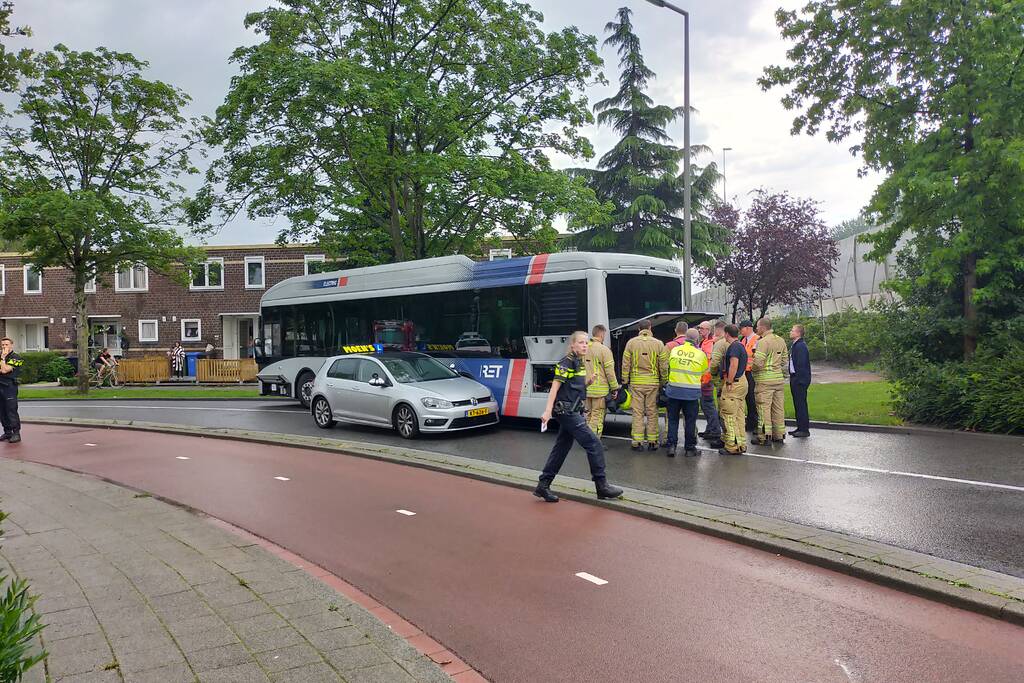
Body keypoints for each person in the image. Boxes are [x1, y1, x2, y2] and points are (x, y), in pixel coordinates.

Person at [534, 331, 624, 503]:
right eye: (581, 343)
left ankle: (543, 485)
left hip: (573, 410)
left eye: (586, 343)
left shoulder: (579, 363)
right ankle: (601, 486)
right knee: (594, 444)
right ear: (572, 345)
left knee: (561, 448)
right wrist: (547, 411)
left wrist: (588, 382)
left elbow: (573, 385)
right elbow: (555, 388)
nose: (585, 345)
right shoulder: (566, 362)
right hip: (566, 412)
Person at [661, 329, 708, 457]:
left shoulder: (675, 350)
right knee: (690, 421)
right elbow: (704, 371)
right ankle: (689, 448)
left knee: (673, 420)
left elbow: (668, 365)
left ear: (685, 338)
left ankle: (671, 446)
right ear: (697, 340)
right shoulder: (700, 354)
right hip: (691, 393)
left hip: (674, 391)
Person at [621, 319, 665, 450]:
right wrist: (664, 381)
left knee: (637, 413)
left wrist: (624, 380)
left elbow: (625, 363)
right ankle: (652, 442)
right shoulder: (659, 344)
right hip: (653, 383)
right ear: (650, 328)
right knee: (652, 412)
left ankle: (637, 442)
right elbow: (663, 365)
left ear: (639, 329)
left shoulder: (631, 343)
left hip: (636, 383)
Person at [751, 317, 789, 445]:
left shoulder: (762, 342)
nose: (756, 329)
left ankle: (764, 436)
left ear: (762, 327)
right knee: (778, 408)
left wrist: (753, 369)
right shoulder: (781, 340)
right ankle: (779, 435)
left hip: (764, 380)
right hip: (778, 379)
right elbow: (784, 360)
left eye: (757, 326)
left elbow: (758, 362)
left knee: (763, 409)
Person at [714, 325, 749, 455]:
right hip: (742, 382)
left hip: (734, 383)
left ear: (727, 334)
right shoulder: (740, 345)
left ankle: (732, 446)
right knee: (739, 415)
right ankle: (741, 443)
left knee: (728, 415)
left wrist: (729, 381)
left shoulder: (733, 347)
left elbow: (733, 364)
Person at [583, 325, 620, 438]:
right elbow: (610, 372)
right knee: (597, 417)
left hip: (586, 388)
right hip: (600, 392)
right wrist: (614, 388)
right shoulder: (604, 350)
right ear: (602, 334)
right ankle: (594, 442)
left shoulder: (584, 348)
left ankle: (586, 440)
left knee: (588, 415)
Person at [696, 320, 724, 448]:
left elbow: (709, 362)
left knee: (708, 404)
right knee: (706, 404)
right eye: (699, 328)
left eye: (702, 328)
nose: (700, 330)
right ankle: (710, 428)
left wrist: (706, 379)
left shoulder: (710, 343)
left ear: (708, 330)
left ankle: (714, 430)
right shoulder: (704, 342)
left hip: (706, 379)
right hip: (704, 378)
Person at [789, 324, 812, 438]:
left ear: (798, 333)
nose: (790, 332)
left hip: (799, 379)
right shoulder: (795, 345)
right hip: (795, 377)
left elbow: (801, 364)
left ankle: (804, 429)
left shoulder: (800, 346)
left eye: (792, 331)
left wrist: (799, 379)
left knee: (801, 404)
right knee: (797, 404)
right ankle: (800, 426)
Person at [0, 337, 24, 443]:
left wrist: (3, 358)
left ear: (11, 345)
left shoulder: (17, 358)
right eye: (3, 345)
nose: (4, 347)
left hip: (10, 387)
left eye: (6, 345)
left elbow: (4, 370)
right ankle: (7, 432)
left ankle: (16, 433)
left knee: (11, 410)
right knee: (2, 411)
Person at [739, 320, 760, 433]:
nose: (740, 331)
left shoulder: (757, 339)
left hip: (753, 372)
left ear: (748, 328)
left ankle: (754, 422)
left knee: (753, 398)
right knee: (747, 397)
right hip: (745, 372)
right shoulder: (743, 340)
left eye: (741, 328)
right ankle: (751, 422)